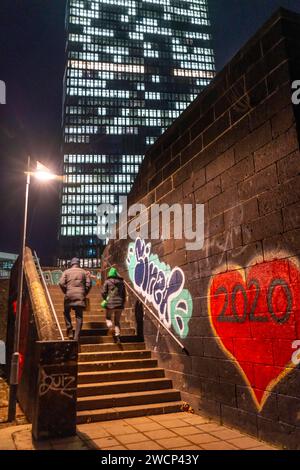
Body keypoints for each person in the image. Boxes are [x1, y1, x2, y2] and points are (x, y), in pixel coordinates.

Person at [59, 257, 91, 341]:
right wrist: (84, 292)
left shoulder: (66, 272)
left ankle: (69, 329)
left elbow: (61, 283)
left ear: (71, 264)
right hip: (80, 296)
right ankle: (76, 337)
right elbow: (89, 283)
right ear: (78, 263)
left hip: (69, 295)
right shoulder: (84, 272)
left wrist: (66, 291)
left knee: (66, 312)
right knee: (79, 317)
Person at [102, 267, 126, 343]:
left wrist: (106, 298)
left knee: (108, 318)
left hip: (110, 304)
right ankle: (117, 335)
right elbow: (124, 294)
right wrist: (122, 302)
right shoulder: (121, 283)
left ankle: (109, 326)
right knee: (117, 321)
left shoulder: (107, 282)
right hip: (120, 305)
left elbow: (103, 292)